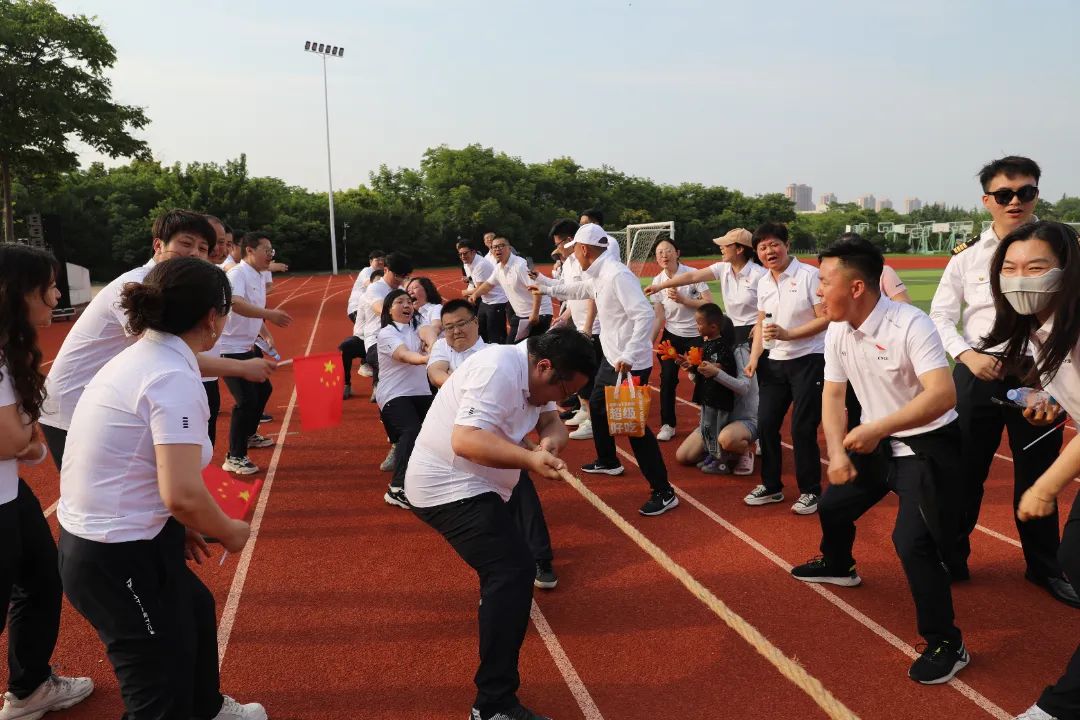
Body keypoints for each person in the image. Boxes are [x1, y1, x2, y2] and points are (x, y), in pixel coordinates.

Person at [56, 257, 265, 720]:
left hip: (121, 536)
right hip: (113, 552)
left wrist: (177, 525)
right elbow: (183, 493)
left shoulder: (149, 356)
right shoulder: (170, 375)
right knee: (157, 689)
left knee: (194, 607)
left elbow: (142, 462)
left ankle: (207, 708)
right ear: (212, 318)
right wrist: (229, 530)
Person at [789, 235, 968, 685]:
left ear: (856, 287)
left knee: (911, 543)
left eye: (823, 282)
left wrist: (876, 428)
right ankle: (839, 564)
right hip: (875, 443)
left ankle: (948, 643)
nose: (816, 291)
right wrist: (836, 452)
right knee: (833, 506)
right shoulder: (837, 328)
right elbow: (833, 394)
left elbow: (943, 395)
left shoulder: (910, 324)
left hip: (926, 447)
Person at [405, 327, 597, 720]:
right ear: (544, 367)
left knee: (507, 574)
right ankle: (493, 705)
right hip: (448, 485)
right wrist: (530, 460)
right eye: (564, 392)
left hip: (485, 484)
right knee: (513, 571)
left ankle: (496, 615)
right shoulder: (497, 369)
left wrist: (552, 440)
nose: (562, 400)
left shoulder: (536, 370)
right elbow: (465, 440)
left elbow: (551, 422)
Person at [929, 156, 1077, 606]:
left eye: (1025, 192)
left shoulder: (1062, 252)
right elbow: (940, 316)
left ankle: (1044, 566)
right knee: (964, 471)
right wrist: (967, 355)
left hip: (1045, 372)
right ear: (986, 200)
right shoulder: (967, 257)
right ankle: (952, 558)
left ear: (1036, 195)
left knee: (1040, 471)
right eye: (1004, 194)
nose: (1015, 201)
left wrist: (1050, 384)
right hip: (979, 371)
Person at [40, 210, 276, 469]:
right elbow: (165, 354)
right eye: (186, 243)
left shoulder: (171, 286)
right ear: (158, 245)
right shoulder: (136, 285)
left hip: (110, 400)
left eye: (202, 248)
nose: (195, 253)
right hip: (72, 404)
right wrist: (242, 367)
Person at [975, 221, 1080, 720]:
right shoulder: (1039, 327)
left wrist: (1045, 485)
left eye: (1036, 267)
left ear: (1067, 271)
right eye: (1011, 268)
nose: (1021, 279)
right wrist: (1052, 402)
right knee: (1073, 557)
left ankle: (1061, 706)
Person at [0, 245, 94, 720]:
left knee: (40, 579)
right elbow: (10, 440)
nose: (57, 296)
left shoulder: (8, 349)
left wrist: (26, 442)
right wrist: (27, 441)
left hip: (10, 494)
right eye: (49, 287)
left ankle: (30, 686)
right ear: (17, 293)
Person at [532, 224, 678, 516]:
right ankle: (609, 461)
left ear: (584, 249)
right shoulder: (598, 274)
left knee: (635, 429)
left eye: (575, 250)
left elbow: (644, 314)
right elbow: (577, 290)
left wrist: (630, 353)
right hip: (611, 361)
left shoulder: (617, 275)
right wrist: (545, 286)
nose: (574, 255)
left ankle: (664, 491)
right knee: (597, 407)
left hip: (629, 364)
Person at [428, 300, 560, 590]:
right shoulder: (442, 349)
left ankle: (541, 558)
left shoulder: (496, 354)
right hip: (455, 436)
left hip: (494, 439)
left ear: (476, 322)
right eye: (449, 327)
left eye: (461, 324)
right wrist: (465, 391)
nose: (455, 331)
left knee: (522, 491)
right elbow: (436, 373)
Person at [743, 222, 828, 515]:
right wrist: (754, 357)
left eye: (774, 244)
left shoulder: (809, 276)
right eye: (762, 247)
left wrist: (789, 334)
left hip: (809, 359)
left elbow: (825, 318)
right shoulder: (763, 282)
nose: (769, 251)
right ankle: (771, 486)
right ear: (757, 253)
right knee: (766, 424)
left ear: (787, 245)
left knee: (802, 428)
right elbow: (761, 322)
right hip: (774, 362)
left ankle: (810, 491)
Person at [218, 232, 293, 475]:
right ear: (249, 250)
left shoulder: (259, 275)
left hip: (247, 346)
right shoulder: (237, 274)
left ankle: (249, 435)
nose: (270, 255)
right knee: (246, 401)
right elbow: (236, 303)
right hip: (229, 348)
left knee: (263, 390)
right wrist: (270, 315)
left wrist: (265, 333)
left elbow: (255, 309)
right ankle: (234, 456)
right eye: (266, 250)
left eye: (272, 251)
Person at [645, 228, 766, 345]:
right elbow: (692, 277)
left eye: (726, 245)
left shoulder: (760, 275)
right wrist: (660, 286)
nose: (721, 247)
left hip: (755, 330)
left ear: (739, 249)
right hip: (731, 328)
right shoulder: (722, 268)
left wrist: (760, 324)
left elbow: (772, 305)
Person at [676, 303, 758, 475]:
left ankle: (744, 451)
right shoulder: (712, 350)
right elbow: (710, 387)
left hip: (743, 419)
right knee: (684, 456)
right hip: (716, 416)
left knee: (727, 439)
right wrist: (693, 371)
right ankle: (718, 452)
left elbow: (743, 388)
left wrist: (716, 373)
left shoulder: (739, 353)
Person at [648, 237, 712, 442]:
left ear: (677, 253)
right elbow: (659, 317)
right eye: (659, 252)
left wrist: (685, 300)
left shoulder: (693, 274)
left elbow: (709, 304)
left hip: (696, 335)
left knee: (703, 377)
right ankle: (668, 424)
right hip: (672, 336)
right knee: (667, 379)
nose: (664, 255)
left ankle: (707, 419)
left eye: (668, 251)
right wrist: (648, 343)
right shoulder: (657, 283)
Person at [375, 289, 432, 509]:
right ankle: (397, 488)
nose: (407, 305)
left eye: (409, 301)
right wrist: (427, 358)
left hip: (422, 393)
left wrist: (432, 344)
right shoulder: (387, 333)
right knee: (411, 430)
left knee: (440, 430)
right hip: (394, 394)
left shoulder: (418, 327)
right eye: (400, 302)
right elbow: (404, 355)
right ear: (389, 310)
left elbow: (429, 331)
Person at [357, 253, 413, 470]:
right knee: (388, 395)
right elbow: (383, 311)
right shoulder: (376, 289)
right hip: (377, 344)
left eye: (404, 276)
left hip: (402, 341)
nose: (400, 280)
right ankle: (396, 444)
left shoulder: (401, 288)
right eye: (397, 275)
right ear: (386, 270)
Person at [547, 220, 600, 441]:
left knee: (591, 375)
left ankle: (594, 421)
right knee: (582, 373)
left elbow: (592, 294)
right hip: (579, 325)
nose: (557, 249)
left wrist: (588, 326)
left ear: (570, 241)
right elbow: (573, 294)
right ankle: (586, 411)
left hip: (594, 328)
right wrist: (565, 316)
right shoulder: (568, 263)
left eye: (558, 244)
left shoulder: (583, 263)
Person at [469, 237, 553, 343]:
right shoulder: (498, 268)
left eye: (501, 246)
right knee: (513, 347)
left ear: (509, 248)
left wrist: (535, 314)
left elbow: (537, 289)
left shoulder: (520, 265)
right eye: (494, 247)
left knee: (531, 348)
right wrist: (475, 294)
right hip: (522, 316)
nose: (497, 249)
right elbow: (488, 285)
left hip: (540, 314)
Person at [341, 268, 383, 399]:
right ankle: (346, 384)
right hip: (363, 338)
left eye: (380, 284)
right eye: (375, 283)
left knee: (378, 350)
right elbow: (359, 325)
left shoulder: (390, 299)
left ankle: (377, 387)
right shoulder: (364, 298)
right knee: (345, 347)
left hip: (379, 340)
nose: (377, 287)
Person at [460, 239, 509, 344]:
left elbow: (481, 287)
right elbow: (476, 282)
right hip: (485, 300)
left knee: (495, 334)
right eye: (460, 254)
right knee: (481, 330)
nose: (463, 256)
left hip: (497, 300)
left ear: (473, 252)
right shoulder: (468, 263)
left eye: (465, 253)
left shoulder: (480, 264)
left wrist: (467, 293)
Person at [405, 276, 444, 348]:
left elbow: (437, 326)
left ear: (427, 290)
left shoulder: (436, 308)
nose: (410, 292)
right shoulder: (410, 316)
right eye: (408, 290)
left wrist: (428, 339)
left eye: (415, 288)